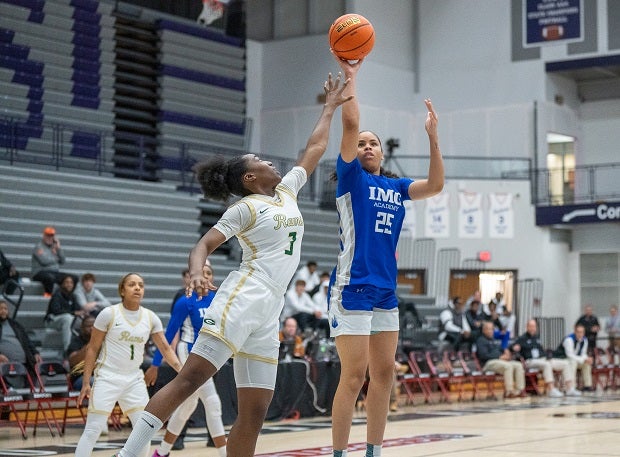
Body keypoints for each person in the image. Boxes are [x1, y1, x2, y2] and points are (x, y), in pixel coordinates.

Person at [112, 72, 352, 457]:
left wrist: (329, 108)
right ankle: (129, 454)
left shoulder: (286, 191)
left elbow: (315, 146)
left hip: (270, 307)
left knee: (255, 411)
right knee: (189, 379)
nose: (270, 161)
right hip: (244, 294)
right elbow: (204, 244)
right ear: (250, 176)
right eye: (260, 160)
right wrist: (195, 272)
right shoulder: (244, 208)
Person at [327, 54, 444, 457]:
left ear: (381, 152)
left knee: (383, 377)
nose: (367, 146)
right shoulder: (350, 179)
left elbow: (435, 186)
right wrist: (352, 77)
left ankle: (374, 451)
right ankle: (340, 452)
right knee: (353, 376)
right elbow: (350, 123)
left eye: (373, 142)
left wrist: (432, 137)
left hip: (385, 291)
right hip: (352, 287)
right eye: (361, 144)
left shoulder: (395, 188)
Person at [74, 273, 182, 457]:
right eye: (132, 284)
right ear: (122, 290)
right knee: (93, 430)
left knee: (144, 431)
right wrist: (86, 382)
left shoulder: (150, 317)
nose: (138, 288)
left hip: (134, 379)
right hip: (107, 376)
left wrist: (183, 371)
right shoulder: (109, 314)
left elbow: (165, 348)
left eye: (141, 285)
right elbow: (92, 349)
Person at [144, 262, 227, 457]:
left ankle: (161, 453)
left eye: (209, 273)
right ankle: (226, 454)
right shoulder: (185, 301)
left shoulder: (217, 299)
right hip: (188, 352)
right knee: (213, 403)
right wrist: (155, 364)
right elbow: (168, 334)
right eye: (201, 273)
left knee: (188, 405)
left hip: (210, 354)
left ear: (212, 277)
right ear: (192, 277)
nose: (205, 277)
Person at [510, 319, 573, 397]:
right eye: (531, 326)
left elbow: (542, 351)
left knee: (565, 363)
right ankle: (551, 389)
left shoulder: (537, 338)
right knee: (546, 365)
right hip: (530, 361)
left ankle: (570, 388)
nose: (532, 328)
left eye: (534, 326)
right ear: (527, 327)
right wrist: (514, 348)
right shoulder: (522, 338)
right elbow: (512, 347)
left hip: (542, 359)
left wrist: (548, 355)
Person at [475, 321, 525, 398]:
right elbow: (483, 355)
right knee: (508, 366)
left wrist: (506, 352)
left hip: (499, 362)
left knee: (518, 365)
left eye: (492, 329)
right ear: (483, 330)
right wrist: (500, 357)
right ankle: (509, 392)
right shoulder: (481, 341)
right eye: (488, 329)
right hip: (487, 363)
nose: (491, 331)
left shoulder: (493, 340)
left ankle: (520, 390)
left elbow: (500, 349)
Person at [0, 299, 42, 385]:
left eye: (5, 308)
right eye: (0, 309)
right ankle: (7, 388)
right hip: (4, 362)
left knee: (38, 365)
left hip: (24, 361)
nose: (3, 311)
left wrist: (35, 353)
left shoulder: (15, 324)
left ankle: (31, 390)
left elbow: (27, 340)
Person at [31, 226, 78, 297]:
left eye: (51, 236)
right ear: (44, 236)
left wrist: (58, 249)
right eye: (47, 236)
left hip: (54, 273)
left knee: (74, 278)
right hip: (39, 272)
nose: (49, 238)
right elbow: (44, 261)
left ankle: (66, 296)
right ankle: (48, 295)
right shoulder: (39, 247)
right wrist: (56, 258)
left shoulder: (55, 247)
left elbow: (63, 261)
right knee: (50, 278)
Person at [44, 275, 85, 352]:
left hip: (67, 320)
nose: (69, 284)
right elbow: (56, 310)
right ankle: (68, 350)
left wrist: (82, 313)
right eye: (67, 282)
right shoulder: (57, 295)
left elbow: (78, 310)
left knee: (86, 320)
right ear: (62, 284)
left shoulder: (72, 296)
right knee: (67, 318)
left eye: (71, 283)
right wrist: (73, 313)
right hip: (52, 321)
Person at [554, 323, 593, 394]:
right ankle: (572, 387)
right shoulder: (569, 339)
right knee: (573, 362)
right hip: (563, 359)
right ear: (575, 332)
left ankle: (587, 386)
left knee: (587, 364)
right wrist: (582, 359)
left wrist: (586, 358)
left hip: (576, 359)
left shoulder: (585, 340)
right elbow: (570, 355)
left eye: (582, 332)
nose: (580, 334)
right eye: (578, 332)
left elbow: (583, 353)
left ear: (584, 333)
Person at [66, 315, 96, 390]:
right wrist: (90, 344)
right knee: (95, 382)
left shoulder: (103, 341)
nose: (92, 328)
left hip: (100, 376)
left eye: (94, 326)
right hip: (80, 378)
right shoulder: (76, 342)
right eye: (88, 326)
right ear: (82, 328)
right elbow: (72, 361)